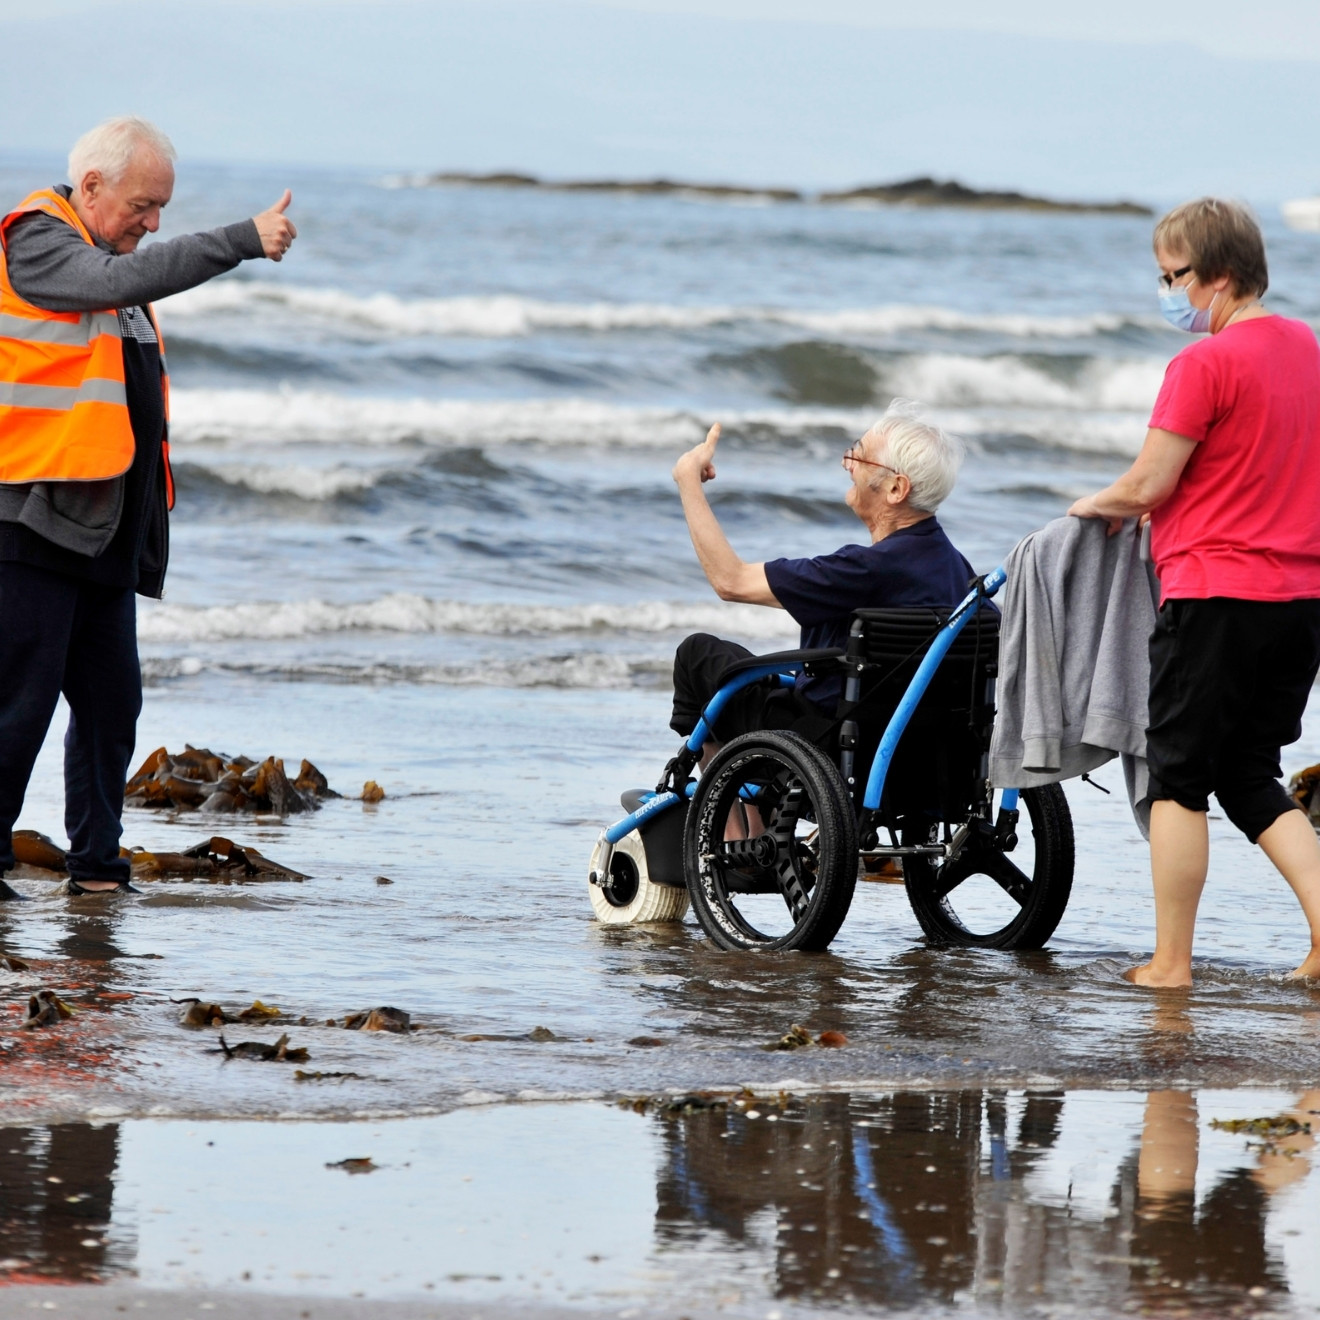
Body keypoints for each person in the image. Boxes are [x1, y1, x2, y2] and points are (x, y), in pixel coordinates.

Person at [0, 116, 298, 900]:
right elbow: (113, 285)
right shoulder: (38, 241)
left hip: (102, 529)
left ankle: (97, 871)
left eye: (163, 206)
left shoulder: (109, 259)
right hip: (29, 521)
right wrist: (240, 239)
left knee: (111, 708)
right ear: (92, 185)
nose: (154, 224)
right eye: (143, 205)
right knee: (17, 709)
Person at [1068, 197, 1320, 987]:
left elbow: (1150, 481)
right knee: (1248, 771)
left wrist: (1093, 505)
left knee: (1178, 778)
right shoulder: (1308, 348)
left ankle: (1170, 963)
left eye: (1173, 275)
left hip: (1215, 596)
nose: (1168, 291)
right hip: (1302, 601)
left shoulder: (1202, 365)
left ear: (1218, 276)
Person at [669, 399, 973, 752]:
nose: (848, 464)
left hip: (829, 741)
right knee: (735, 662)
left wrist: (688, 481)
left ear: (896, 489)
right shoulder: (961, 574)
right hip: (926, 751)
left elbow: (730, 581)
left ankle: (724, 790)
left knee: (698, 655)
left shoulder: (861, 570)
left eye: (859, 457)